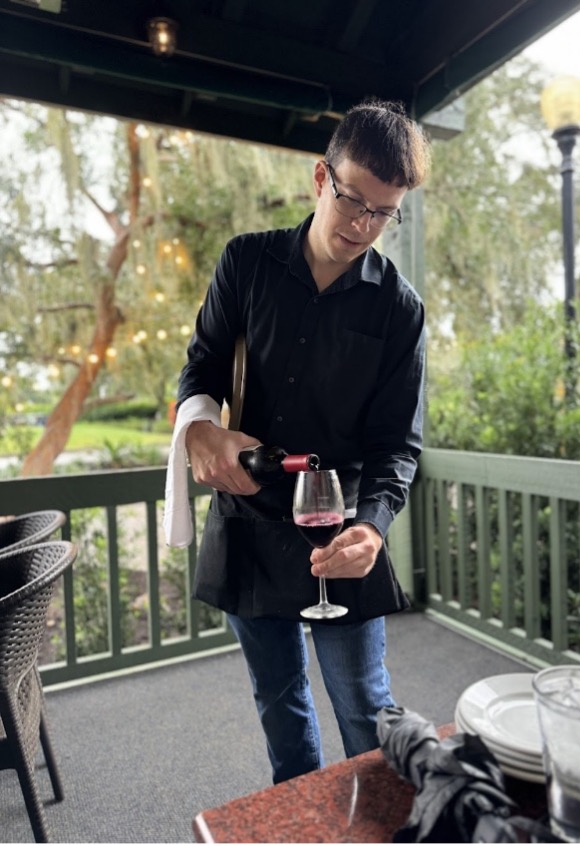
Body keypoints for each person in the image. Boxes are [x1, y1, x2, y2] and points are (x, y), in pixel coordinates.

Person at [164, 98, 431, 784]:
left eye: (383, 212)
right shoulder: (245, 263)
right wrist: (199, 427)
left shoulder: (398, 309)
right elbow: (202, 366)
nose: (362, 225)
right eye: (352, 201)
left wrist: (371, 531)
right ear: (321, 178)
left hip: (337, 536)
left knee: (366, 712)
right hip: (249, 525)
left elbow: (396, 445)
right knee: (279, 704)